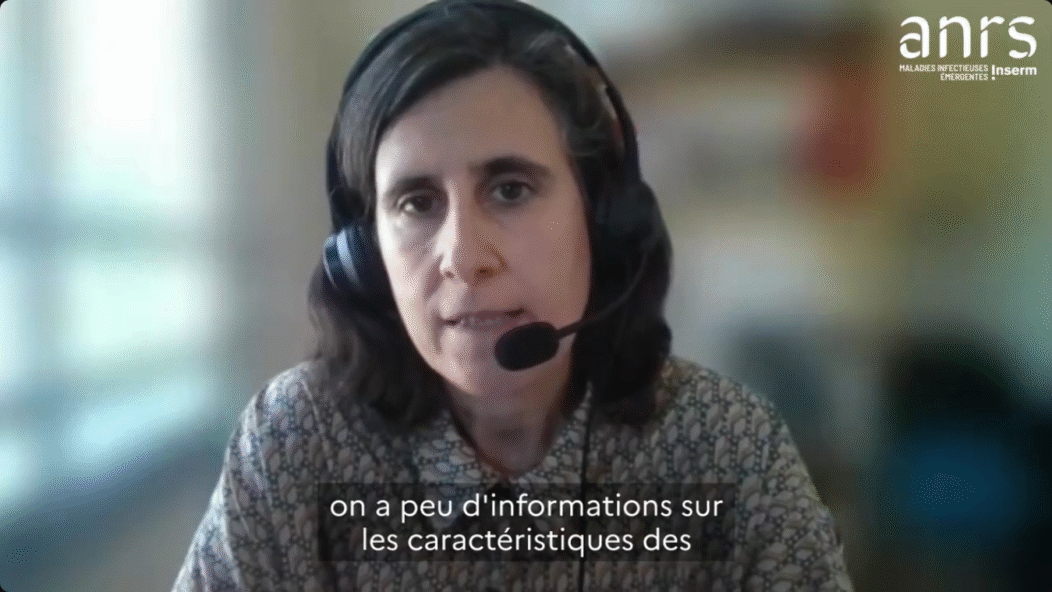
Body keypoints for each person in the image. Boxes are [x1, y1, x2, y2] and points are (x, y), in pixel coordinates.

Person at [173, 1, 853, 590]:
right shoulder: (293, 444)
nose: (465, 258)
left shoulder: (731, 450)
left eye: (510, 190)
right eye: (416, 202)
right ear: (365, 254)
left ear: (601, 219)